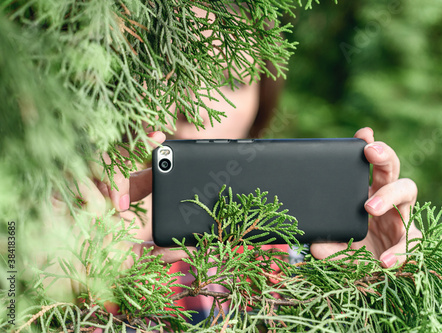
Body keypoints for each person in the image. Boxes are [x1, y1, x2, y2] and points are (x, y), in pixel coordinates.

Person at [90, 7, 421, 324]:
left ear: (261, 101)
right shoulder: (64, 213)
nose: (196, 106)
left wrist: (376, 289)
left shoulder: (289, 263)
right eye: (173, 68)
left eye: (229, 80)